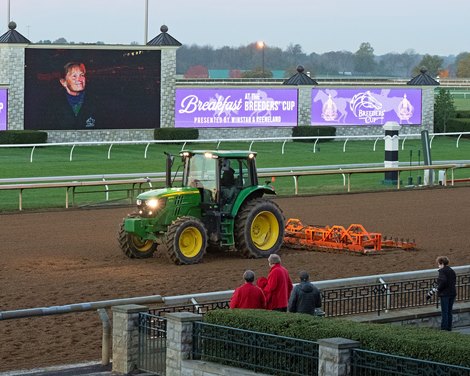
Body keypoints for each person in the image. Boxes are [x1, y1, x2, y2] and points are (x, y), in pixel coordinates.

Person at [44, 61, 98, 130]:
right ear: (63, 82)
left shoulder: (96, 101)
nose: (80, 80)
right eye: (74, 76)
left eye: (82, 75)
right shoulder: (52, 105)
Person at [427, 256, 457, 331]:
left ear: (442, 263)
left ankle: (444, 329)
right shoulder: (451, 270)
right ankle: (449, 328)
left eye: (439, 264)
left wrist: (436, 289)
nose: (438, 266)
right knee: (449, 312)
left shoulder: (442, 271)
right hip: (452, 293)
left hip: (445, 295)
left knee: (444, 312)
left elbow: (443, 281)